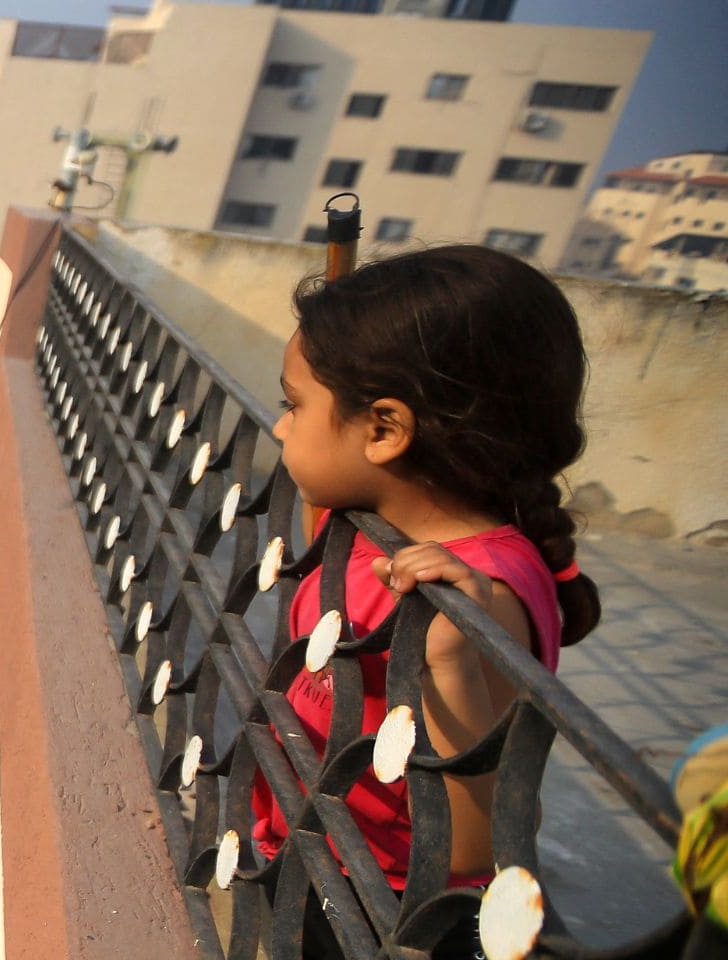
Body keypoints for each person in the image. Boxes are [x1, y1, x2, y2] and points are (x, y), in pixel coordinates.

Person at [254, 245, 599, 958]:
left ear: (384, 430)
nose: (281, 426)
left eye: (295, 405)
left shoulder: (479, 601)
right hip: (316, 862)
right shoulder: (370, 527)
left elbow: (476, 846)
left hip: (380, 915)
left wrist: (448, 662)